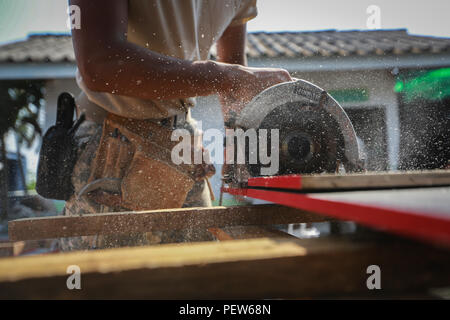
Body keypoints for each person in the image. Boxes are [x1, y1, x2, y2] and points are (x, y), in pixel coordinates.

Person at [62, 0, 292, 248]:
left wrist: (238, 142)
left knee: (194, 274)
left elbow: (234, 64)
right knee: (112, 281)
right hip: (114, 143)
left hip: (184, 142)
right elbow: (99, 64)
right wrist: (228, 76)